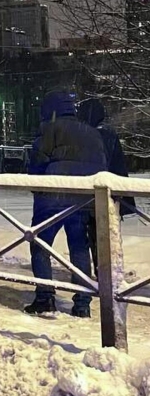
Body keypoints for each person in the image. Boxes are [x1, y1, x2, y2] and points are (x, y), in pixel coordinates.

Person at [25, 91, 107, 318]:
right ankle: (82, 303)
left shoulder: (50, 129)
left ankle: (45, 297)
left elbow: (37, 163)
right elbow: (102, 166)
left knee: (40, 245)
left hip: (53, 197)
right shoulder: (91, 133)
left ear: (51, 110)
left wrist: (38, 187)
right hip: (83, 199)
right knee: (79, 249)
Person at [77, 98, 135, 275]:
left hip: (99, 191)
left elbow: (97, 163)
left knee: (98, 235)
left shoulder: (94, 134)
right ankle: (108, 274)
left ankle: (103, 275)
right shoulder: (108, 132)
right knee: (107, 236)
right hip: (112, 190)